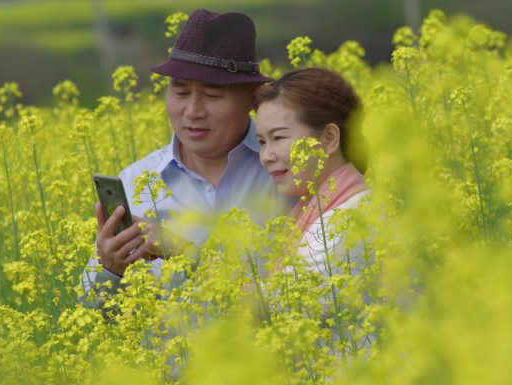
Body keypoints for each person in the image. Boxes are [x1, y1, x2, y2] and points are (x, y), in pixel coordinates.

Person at [80, 9, 288, 307]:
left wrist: (180, 249)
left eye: (213, 96)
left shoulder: (289, 173)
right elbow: (94, 317)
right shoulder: (137, 182)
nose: (193, 112)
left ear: (254, 98)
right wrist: (110, 270)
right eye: (180, 93)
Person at [254, 67, 369, 275]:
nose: (266, 157)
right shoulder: (327, 209)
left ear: (330, 138)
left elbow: (278, 303)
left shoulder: (344, 224)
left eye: (278, 138)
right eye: (262, 142)